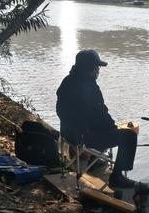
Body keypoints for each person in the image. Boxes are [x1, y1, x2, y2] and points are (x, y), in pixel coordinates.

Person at [56, 49, 138, 189]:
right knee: (128, 135)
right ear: (90, 68)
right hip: (82, 137)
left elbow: (60, 111)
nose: (98, 70)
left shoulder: (67, 81)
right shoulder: (90, 87)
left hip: (66, 132)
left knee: (103, 129)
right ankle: (117, 177)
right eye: (97, 67)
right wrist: (114, 128)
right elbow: (101, 114)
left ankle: (94, 159)